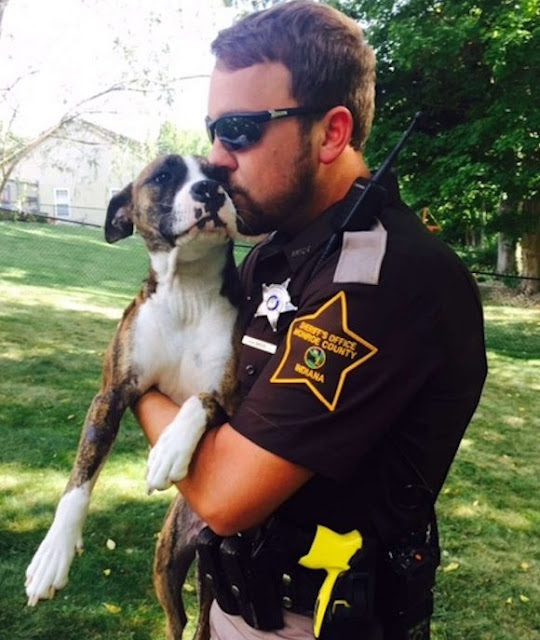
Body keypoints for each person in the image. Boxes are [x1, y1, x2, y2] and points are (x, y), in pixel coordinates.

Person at [135, 2, 488, 639]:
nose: (216, 157)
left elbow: (224, 493)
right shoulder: (277, 252)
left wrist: (130, 380)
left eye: (239, 130)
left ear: (331, 133)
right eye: (213, 129)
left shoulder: (386, 278)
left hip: (314, 621)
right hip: (233, 600)